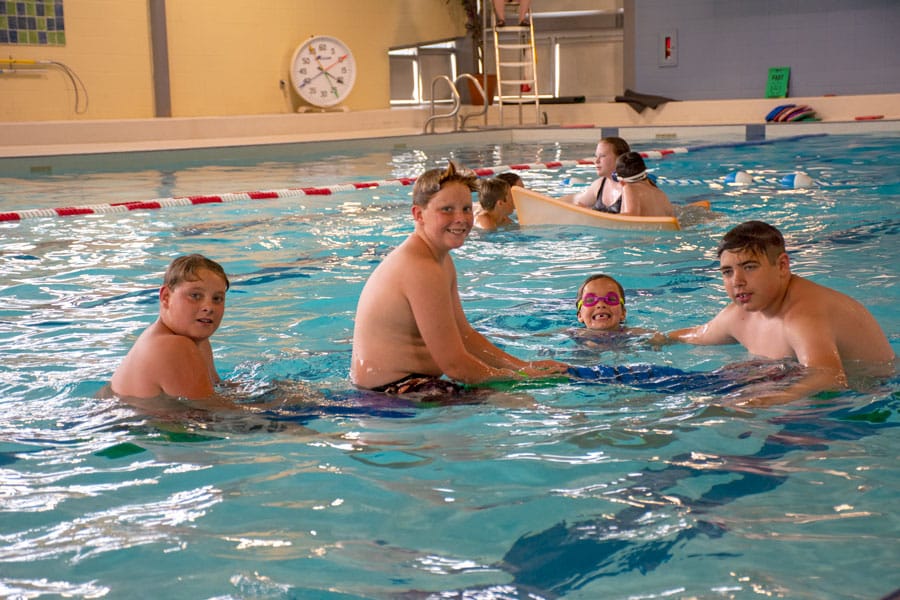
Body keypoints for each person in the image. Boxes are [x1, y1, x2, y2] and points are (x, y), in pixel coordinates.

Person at [350, 161, 566, 395]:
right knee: (518, 400)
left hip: (402, 387)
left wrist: (523, 367)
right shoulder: (420, 268)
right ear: (418, 214)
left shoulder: (438, 259)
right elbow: (455, 366)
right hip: (391, 395)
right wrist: (521, 379)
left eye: (466, 209)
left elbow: (465, 335)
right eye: (447, 209)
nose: (461, 218)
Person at [659, 220, 895, 404]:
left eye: (749, 267)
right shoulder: (741, 315)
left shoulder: (803, 315)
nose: (737, 281)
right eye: (727, 272)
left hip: (873, 399)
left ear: (782, 265)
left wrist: (766, 400)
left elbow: (830, 378)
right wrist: (653, 338)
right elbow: (697, 335)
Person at [109, 254, 230, 402]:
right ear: (166, 297)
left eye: (217, 298)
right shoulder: (174, 346)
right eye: (195, 295)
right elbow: (215, 411)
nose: (209, 307)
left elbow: (219, 389)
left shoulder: (197, 342)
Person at [564, 136, 630, 212]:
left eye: (602, 156)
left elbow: (629, 217)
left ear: (619, 158)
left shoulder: (632, 187)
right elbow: (574, 199)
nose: (596, 161)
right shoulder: (599, 185)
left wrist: (590, 211)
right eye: (596, 156)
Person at [614, 151, 674, 217]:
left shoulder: (629, 187)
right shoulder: (661, 194)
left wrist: (607, 218)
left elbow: (631, 216)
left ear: (621, 182)